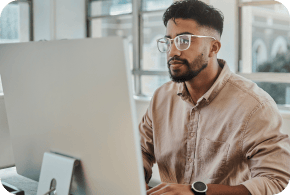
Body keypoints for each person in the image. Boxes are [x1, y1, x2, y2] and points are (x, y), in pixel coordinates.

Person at [139, 0, 290, 195]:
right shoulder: (161, 98)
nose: (172, 52)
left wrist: (197, 192)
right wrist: (135, 179)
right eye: (169, 41)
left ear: (213, 47)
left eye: (184, 40)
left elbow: (276, 181)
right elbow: (141, 151)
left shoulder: (255, 106)